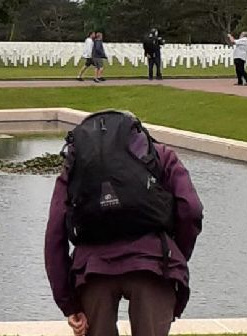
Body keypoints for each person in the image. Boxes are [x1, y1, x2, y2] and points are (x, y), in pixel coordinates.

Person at [46, 111, 204, 336]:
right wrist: (175, 257)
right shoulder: (158, 155)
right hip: (154, 266)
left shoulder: (77, 164)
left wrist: (67, 302)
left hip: (92, 271)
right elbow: (191, 209)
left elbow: (55, 233)